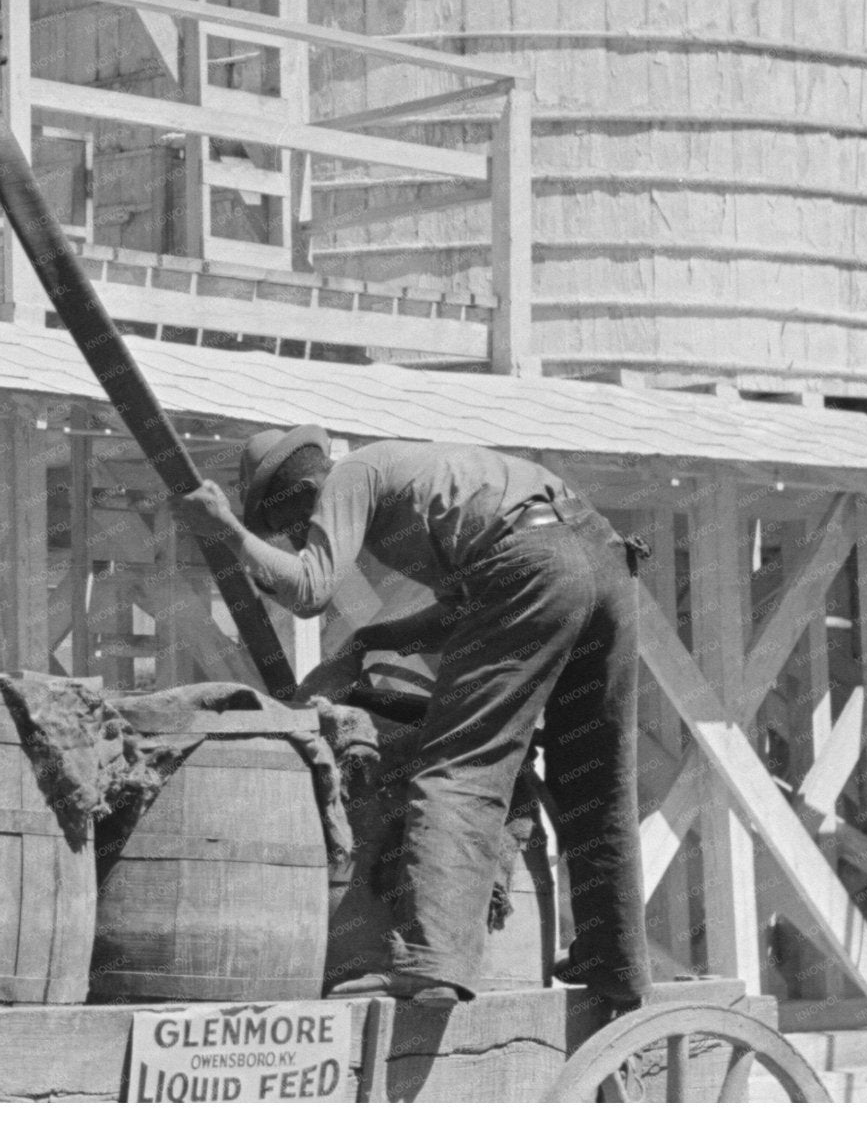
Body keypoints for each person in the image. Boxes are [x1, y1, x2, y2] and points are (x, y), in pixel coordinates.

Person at [174, 426, 650, 1008]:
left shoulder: (350, 477)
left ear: (300, 488)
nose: (302, 536)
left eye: (291, 525)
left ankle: (432, 963)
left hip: (537, 563)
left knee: (462, 762)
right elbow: (475, 608)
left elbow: (309, 590)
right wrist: (370, 640)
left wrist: (229, 532)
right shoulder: (425, 478)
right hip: (602, 558)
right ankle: (615, 963)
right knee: (593, 775)